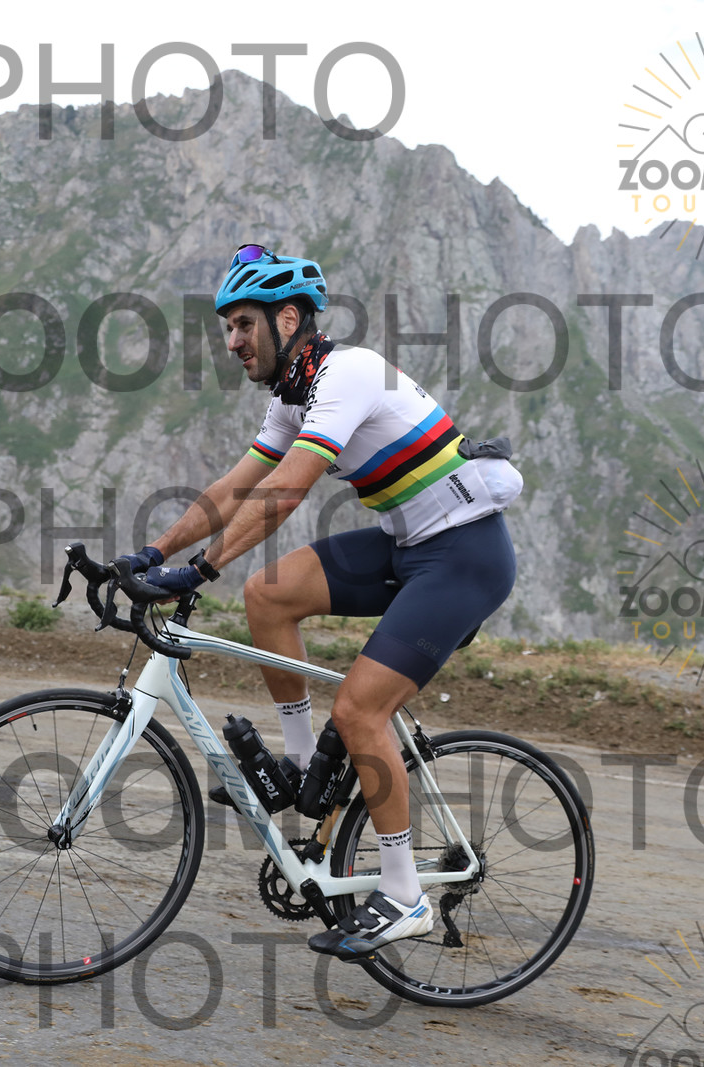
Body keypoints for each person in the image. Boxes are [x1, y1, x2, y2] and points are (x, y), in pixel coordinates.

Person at [117, 244, 522, 961]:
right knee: (267, 593)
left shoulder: (348, 372)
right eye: (228, 328)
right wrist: (153, 553)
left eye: (244, 324)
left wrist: (200, 569)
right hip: (407, 545)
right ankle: (306, 770)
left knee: (361, 711)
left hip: (464, 558)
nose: (233, 341)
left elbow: (286, 491)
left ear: (289, 319)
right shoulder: (292, 395)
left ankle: (404, 894)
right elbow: (237, 486)